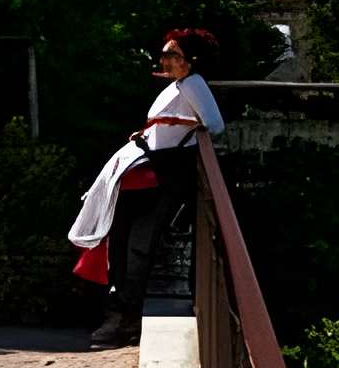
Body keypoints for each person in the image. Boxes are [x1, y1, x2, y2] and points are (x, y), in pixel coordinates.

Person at [69, 29, 226, 347]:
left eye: (173, 54)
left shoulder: (192, 84)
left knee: (136, 248)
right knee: (123, 245)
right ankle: (119, 317)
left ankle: (124, 320)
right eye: (165, 53)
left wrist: (183, 139)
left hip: (159, 176)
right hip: (145, 173)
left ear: (191, 60)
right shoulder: (177, 87)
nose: (164, 59)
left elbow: (214, 124)